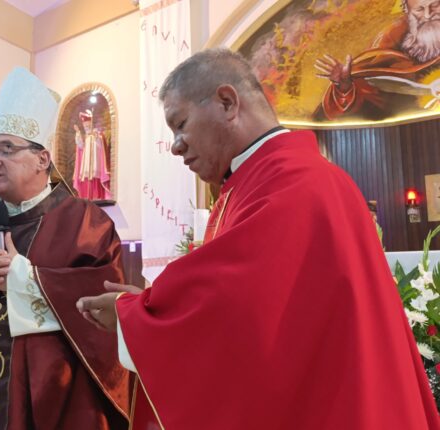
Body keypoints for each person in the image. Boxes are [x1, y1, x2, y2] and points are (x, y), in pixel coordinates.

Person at [77, 49, 440, 429]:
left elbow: (239, 304)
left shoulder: (295, 182)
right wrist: (145, 309)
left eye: (180, 123)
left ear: (227, 102)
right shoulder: (252, 183)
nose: (175, 144)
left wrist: (138, 318)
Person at [0, 67, 130, 429]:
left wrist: (20, 276)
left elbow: (99, 304)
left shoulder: (85, 222)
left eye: (7, 149)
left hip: (47, 402)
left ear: (43, 159)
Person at [315, 0, 440, 119]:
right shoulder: (390, 42)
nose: (428, 15)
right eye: (419, 9)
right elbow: (371, 92)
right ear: (407, 12)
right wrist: (344, 85)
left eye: (434, 5)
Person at [73, 110, 111, 200]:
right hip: (86, 163)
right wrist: (78, 133)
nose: (87, 127)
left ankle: (97, 196)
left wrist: (97, 136)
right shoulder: (86, 137)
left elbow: (101, 145)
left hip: (95, 162)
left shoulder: (97, 134)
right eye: (85, 126)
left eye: (88, 125)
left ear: (91, 124)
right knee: (86, 177)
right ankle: (86, 196)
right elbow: (81, 146)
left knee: (95, 176)